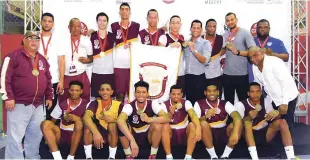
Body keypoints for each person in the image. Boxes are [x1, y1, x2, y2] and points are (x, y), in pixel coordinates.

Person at [0, 31, 53, 159]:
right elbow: (4, 78)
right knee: (15, 136)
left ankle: (32, 157)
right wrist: (8, 97)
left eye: (36, 39)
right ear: (23, 40)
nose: (34, 41)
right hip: (18, 103)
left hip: (38, 105)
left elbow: (48, 79)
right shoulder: (13, 57)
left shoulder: (42, 60)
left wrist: (50, 96)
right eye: (30, 38)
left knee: (35, 136)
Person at [235, 82, 296, 160]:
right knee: (246, 124)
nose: (255, 94)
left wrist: (276, 113)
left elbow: (273, 118)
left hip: (264, 133)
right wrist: (248, 117)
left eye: (257, 91)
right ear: (248, 93)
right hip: (248, 134)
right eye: (252, 92)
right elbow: (237, 125)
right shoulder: (240, 104)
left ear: (261, 92)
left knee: (282, 122)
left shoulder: (265, 102)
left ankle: (291, 156)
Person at [117, 81, 170, 159]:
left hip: (148, 137)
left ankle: (153, 155)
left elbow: (167, 118)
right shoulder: (129, 106)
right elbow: (119, 120)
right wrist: (132, 140)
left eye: (143, 92)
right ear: (135, 94)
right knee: (120, 125)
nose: (141, 95)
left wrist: (149, 119)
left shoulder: (153, 104)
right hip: (133, 136)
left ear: (147, 94)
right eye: (138, 92)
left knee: (157, 124)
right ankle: (128, 155)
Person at [248, 46, 298, 128]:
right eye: (250, 57)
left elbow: (285, 83)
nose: (253, 59)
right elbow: (258, 84)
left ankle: (290, 139)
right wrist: (256, 100)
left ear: (262, 53)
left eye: (255, 55)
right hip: (273, 99)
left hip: (287, 98)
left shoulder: (275, 62)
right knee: (275, 124)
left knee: (286, 125)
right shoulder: (255, 66)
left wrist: (284, 103)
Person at [213, 12, 256, 104]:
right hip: (227, 74)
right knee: (228, 102)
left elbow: (253, 52)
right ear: (225, 23)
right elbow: (223, 51)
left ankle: (244, 118)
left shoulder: (245, 33)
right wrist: (212, 57)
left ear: (236, 20)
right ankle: (230, 119)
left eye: (232, 19)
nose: (230, 22)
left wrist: (238, 52)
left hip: (242, 74)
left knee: (243, 102)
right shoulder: (224, 35)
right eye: (227, 21)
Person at [194, 84, 242, 159]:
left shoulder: (225, 103)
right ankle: (213, 156)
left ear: (218, 92)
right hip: (208, 134)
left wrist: (235, 132)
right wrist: (206, 116)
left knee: (237, 123)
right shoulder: (199, 103)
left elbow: (237, 116)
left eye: (214, 91)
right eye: (209, 91)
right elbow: (196, 121)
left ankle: (225, 155)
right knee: (203, 123)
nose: (212, 93)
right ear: (205, 93)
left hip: (223, 133)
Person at [41, 80, 87, 160]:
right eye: (72, 90)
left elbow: (89, 122)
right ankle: (57, 157)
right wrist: (49, 136)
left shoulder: (87, 104)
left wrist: (76, 118)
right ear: (69, 90)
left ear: (81, 91)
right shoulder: (62, 103)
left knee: (79, 123)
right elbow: (53, 121)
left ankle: (71, 156)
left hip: (77, 137)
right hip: (62, 135)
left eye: (77, 90)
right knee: (45, 124)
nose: (74, 92)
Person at [161, 85, 201, 160]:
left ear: (182, 95)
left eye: (178, 94)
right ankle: (169, 157)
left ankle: (188, 157)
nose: (176, 96)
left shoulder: (186, 102)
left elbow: (193, 115)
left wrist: (198, 129)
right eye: (173, 94)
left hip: (184, 135)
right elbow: (163, 119)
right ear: (169, 95)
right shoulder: (164, 104)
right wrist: (170, 113)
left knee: (192, 125)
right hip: (171, 136)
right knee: (165, 126)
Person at [110, 2, 140, 101]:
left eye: (126, 9)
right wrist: (93, 32)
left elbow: (141, 44)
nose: (124, 11)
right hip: (118, 65)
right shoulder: (113, 26)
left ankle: (131, 115)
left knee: (133, 93)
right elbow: (105, 37)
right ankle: (118, 114)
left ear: (129, 12)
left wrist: (134, 45)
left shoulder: (136, 26)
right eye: (122, 9)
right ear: (119, 12)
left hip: (132, 65)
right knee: (119, 94)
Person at [59, 18, 93, 103]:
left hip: (81, 75)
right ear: (69, 27)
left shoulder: (86, 41)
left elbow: (91, 58)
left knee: (85, 100)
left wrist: (87, 60)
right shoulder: (63, 41)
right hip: (67, 75)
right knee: (64, 101)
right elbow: (61, 61)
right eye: (73, 26)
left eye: (78, 26)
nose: (76, 29)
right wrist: (61, 79)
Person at [83, 83, 121, 159]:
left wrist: (114, 120)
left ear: (111, 92)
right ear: (99, 92)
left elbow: (125, 121)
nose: (105, 92)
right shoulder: (95, 103)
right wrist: (96, 133)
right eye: (102, 90)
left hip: (113, 135)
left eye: (107, 90)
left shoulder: (119, 104)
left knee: (112, 124)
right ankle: (88, 157)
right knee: (87, 126)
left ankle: (111, 157)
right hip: (97, 135)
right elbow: (86, 117)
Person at [39, 12, 65, 119]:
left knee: (51, 110)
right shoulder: (34, 38)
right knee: (37, 110)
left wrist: (61, 80)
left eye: (49, 21)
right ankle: (36, 136)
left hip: (53, 80)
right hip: (36, 80)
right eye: (44, 21)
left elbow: (61, 60)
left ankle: (48, 135)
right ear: (41, 22)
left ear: (53, 24)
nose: (46, 23)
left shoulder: (58, 40)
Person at [182, 19, 211, 104]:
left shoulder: (205, 43)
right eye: (193, 27)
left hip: (199, 78)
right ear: (190, 29)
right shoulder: (186, 43)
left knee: (199, 104)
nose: (195, 30)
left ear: (201, 30)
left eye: (198, 28)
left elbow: (205, 60)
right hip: (187, 77)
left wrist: (194, 50)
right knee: (189, 103)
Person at [89, 12, 115, 100]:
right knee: (97, 98)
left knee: (109, 97)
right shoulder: (92, 36)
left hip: (109, 71)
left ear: (107, 22)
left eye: (104, 21)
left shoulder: (112, 36)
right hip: (97, 71)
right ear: (97, 22)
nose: (102, 23)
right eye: (100, 20)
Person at [158, 15, 186, 95]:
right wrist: (170, 46)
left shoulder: (183, 38)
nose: (175, 25)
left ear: (180, 25)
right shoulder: (164, 37)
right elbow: (159, 54)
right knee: (166, 96)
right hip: (168, 73)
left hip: (180, 73)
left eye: (177, 23)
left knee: (180, 97)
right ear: (169, 24)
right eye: (173, 23)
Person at [203, 19, 224, 98]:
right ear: (205, 27)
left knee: (217, 97)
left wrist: (217, 55)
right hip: (203, 75)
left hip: (217, 74)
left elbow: (224, 49)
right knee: (204, 98)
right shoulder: (200, 39)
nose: (212, 28)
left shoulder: (220, 38)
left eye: (214, 26)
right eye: (209, 26)